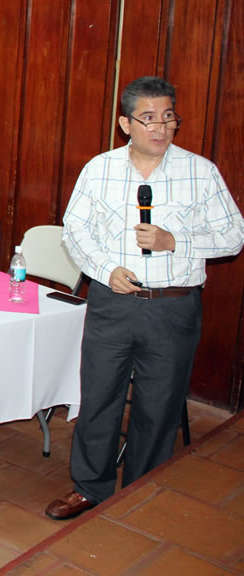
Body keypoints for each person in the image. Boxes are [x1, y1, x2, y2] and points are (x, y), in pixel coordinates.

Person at [46, 76, 244, 521]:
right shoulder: (100, 168)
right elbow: (75, 230)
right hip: (112, 303)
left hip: (172, 306)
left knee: (159, 406)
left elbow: (234, 236)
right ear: (126, 123)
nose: (161, 127)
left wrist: (178, 241)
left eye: (169, 117)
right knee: (98, 398)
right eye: (149, 118)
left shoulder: (201, 171)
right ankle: (88, 488)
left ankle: (139, 492)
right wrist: (104, 271)